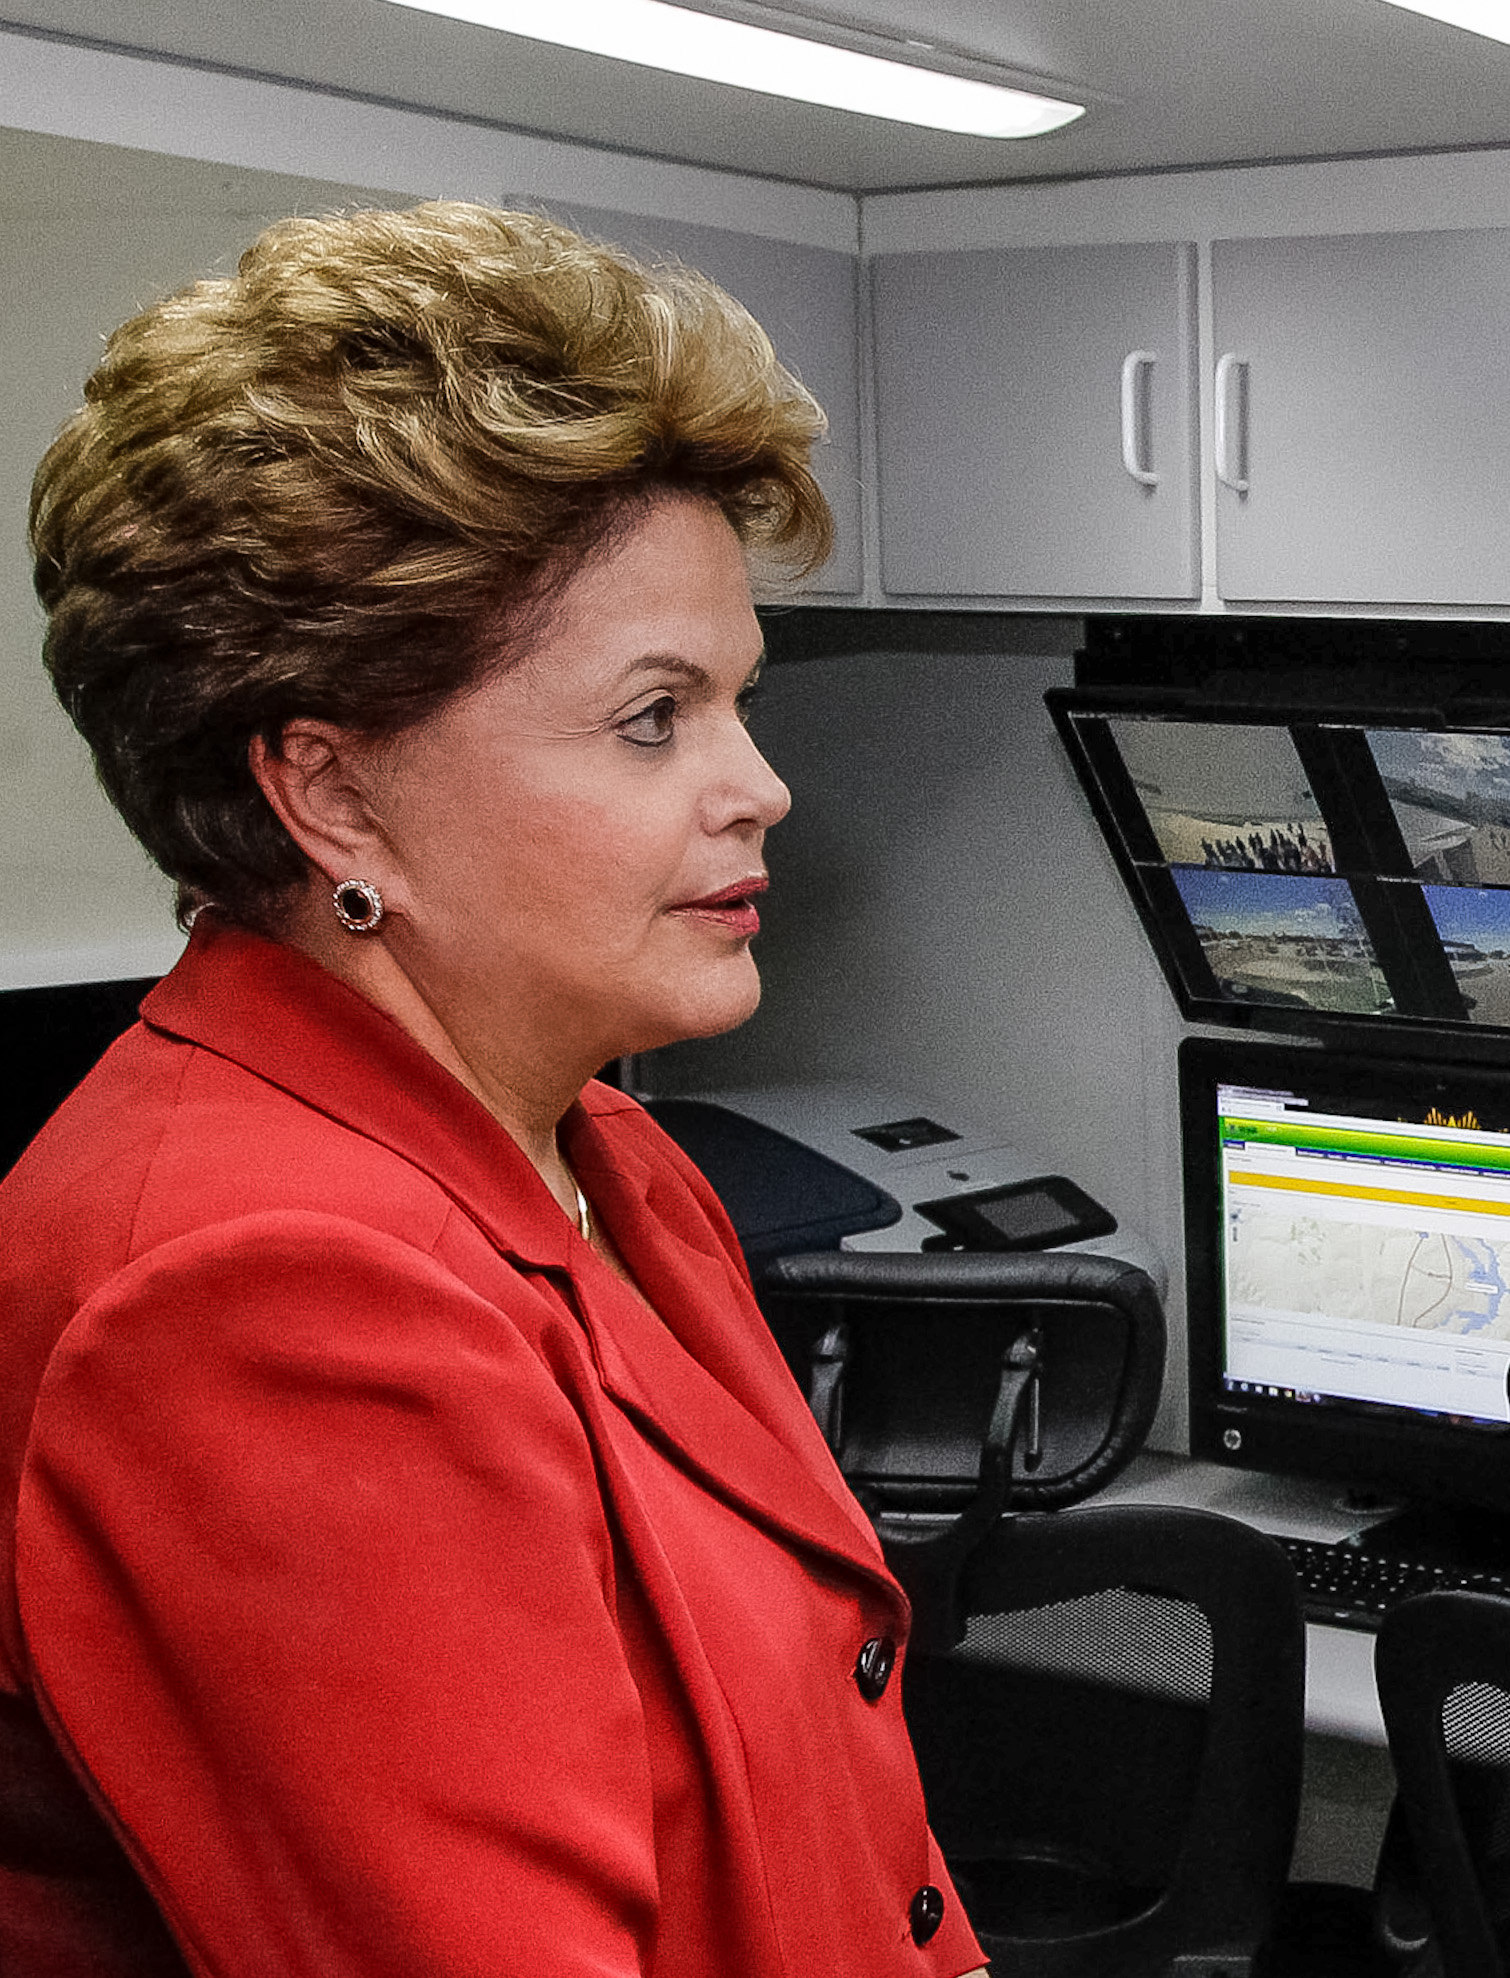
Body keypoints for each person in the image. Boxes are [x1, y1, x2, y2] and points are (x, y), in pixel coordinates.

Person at [2, 202, 981, 1977]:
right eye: (651, 716)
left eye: (737, 703)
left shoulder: (600, 1147)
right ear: (333, 791)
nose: (759, 787)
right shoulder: (262, 1293)